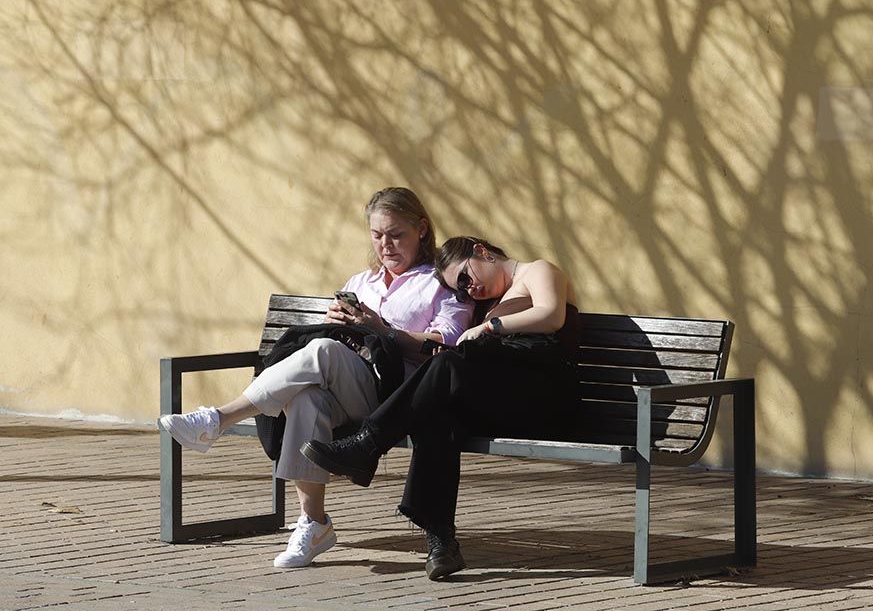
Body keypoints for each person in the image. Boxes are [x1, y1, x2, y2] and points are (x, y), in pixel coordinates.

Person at [157, 188, 472, 568]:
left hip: (399, 398)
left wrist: (381, 328)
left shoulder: (442, 282)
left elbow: (448, 345)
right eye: (377, 235)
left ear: (421, 229)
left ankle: (218, 419)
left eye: (396, 234)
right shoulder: (360, 281)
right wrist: (334, 324)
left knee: (322, 353)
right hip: (349, 382)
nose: (385, 245)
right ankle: (314, 523)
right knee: (305, 397)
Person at [300, 236, 580, 580]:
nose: (467, 292)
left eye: (464, 278)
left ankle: (368, 443)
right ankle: (441, 543)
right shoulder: (493, 302)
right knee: (436, 413)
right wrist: (376, 327)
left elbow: (551, 315)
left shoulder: (539, 270)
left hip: (545, 396)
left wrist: (488, 327)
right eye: (459, 292)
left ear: (482, 251)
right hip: (505, 397)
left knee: (446, 367)